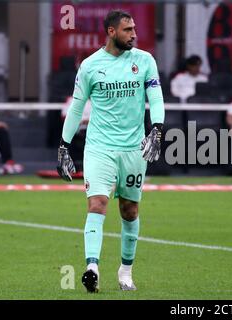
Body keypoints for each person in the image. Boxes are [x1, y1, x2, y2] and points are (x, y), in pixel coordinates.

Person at [56, 10, 165, 293]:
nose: (134, 34)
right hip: (99, 148)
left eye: (134, 29)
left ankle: (125, 271)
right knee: (97, 204)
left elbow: (155, 96)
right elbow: (77, 107)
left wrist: (157, 128)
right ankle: (92, 267)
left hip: (133, 149)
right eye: (128, 29)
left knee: (129, 210)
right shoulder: (91, 66)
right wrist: (64, 144)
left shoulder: (145, 61)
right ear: (112, 32)